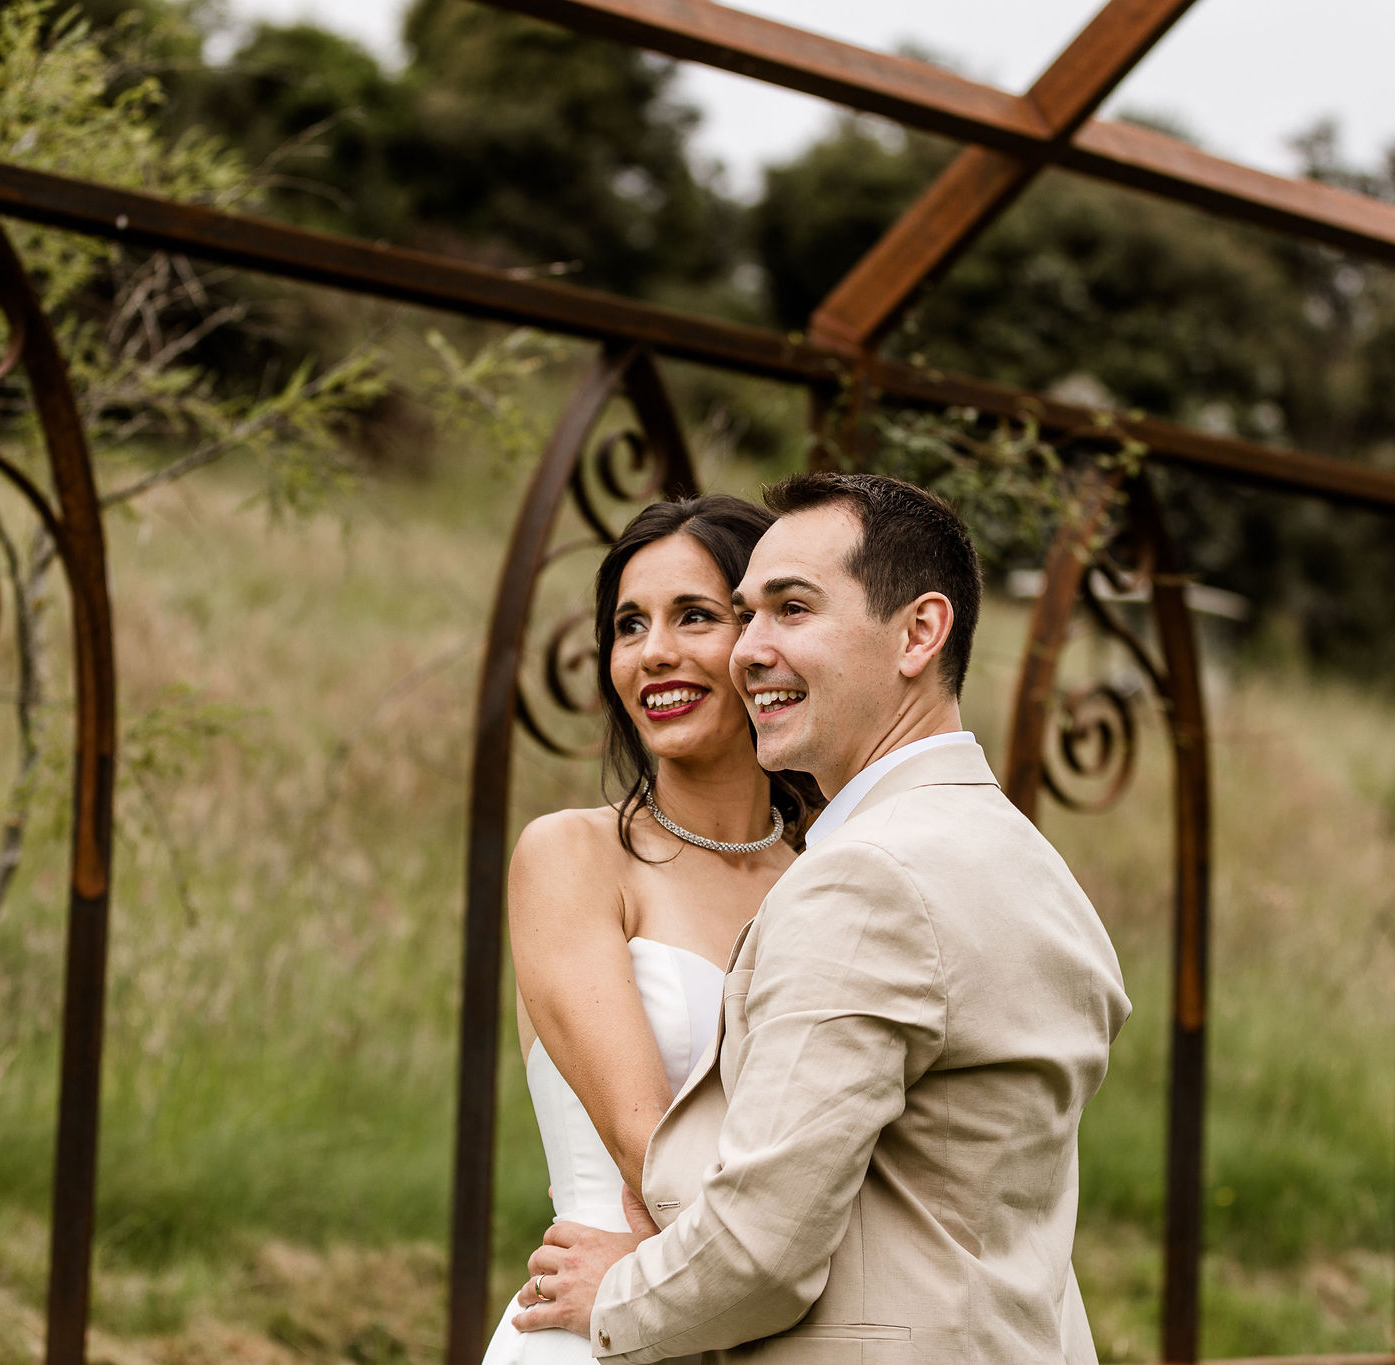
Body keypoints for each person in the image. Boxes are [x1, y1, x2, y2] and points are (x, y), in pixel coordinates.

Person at [510, 472, 1131, 1363]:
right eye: (627, 623)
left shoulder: (855, 877)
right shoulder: (1033, 870)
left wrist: (621, 1287)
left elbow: (758, 1232)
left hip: (674, 1305)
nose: (746, 649)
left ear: (919, 632)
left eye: (779, 610)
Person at [482, 493, 821, 1365]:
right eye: (629, 625)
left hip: (771, 1332)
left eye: (695, 616)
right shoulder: (576, 857)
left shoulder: (825, 882)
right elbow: (653, 1151)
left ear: (761, 643)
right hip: (594, 1320)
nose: (654, 651)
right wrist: (688, 1276)